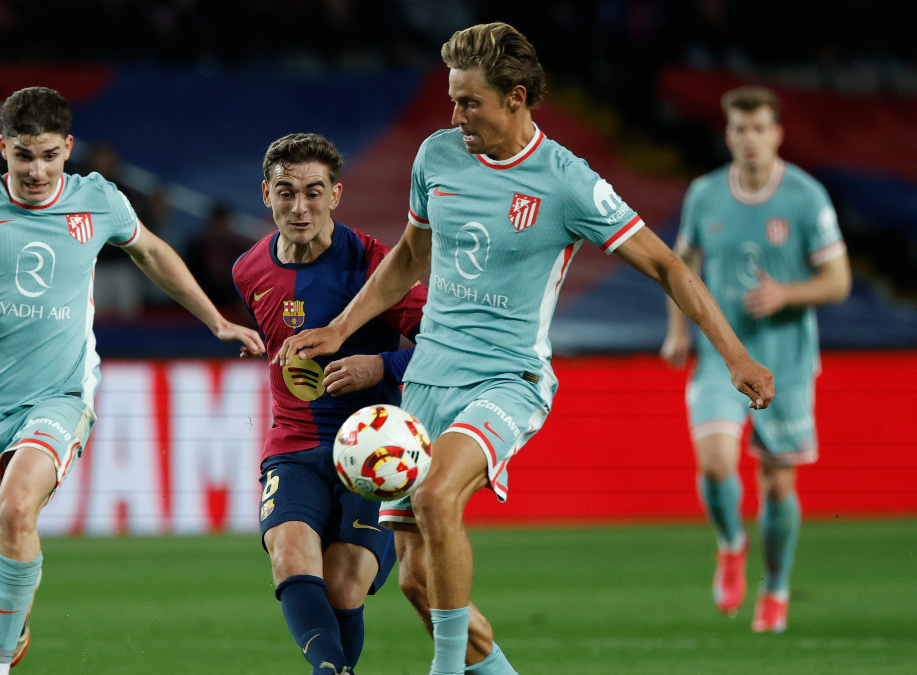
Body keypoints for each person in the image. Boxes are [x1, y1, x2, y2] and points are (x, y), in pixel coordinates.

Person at [277, 23, 775, 675]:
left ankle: (446, 670)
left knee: (436, 498)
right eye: (453, 100)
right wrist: (341, 327)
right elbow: (409, 255)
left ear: (516, 98)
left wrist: (734, 354)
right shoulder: (437, 157)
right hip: (427, 378)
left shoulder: (567, 181)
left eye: (469, 102)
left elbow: (667, 266)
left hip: (508, 380)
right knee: (418, 582)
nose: (456, 115)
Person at [0, 86, 264, 675]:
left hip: (59, 395)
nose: (37, 171)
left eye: (49, 156)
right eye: (23, 157)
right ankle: (14, 622)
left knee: (16, 510)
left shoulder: (97, 201)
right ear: (3, 149)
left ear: (68, 148)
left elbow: (154, 253)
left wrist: (216, 319)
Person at [232, 132, 426, 675]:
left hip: (373, 451)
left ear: (336, 195)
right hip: (293, 446)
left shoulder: (377, 266)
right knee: (289, 559)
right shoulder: (248, 271)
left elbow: (445, 347)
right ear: (265, 194)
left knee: (343, 586)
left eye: (313, 192)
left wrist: (381, 367)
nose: (300, 207)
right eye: (286, 191)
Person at [659, 85, 851, 633]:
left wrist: (787, 294)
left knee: (776, 485)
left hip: (787, 361)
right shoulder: (705, 195)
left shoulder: (806, 197)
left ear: (777, 134)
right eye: (740, 129)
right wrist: (677, 332)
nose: (750, 139)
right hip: (722, 357)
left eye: (760, 128)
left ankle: (778, 588)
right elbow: (681, 268)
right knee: (716, 463)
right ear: (729, 134)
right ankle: (730, 544)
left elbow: (838, 281)